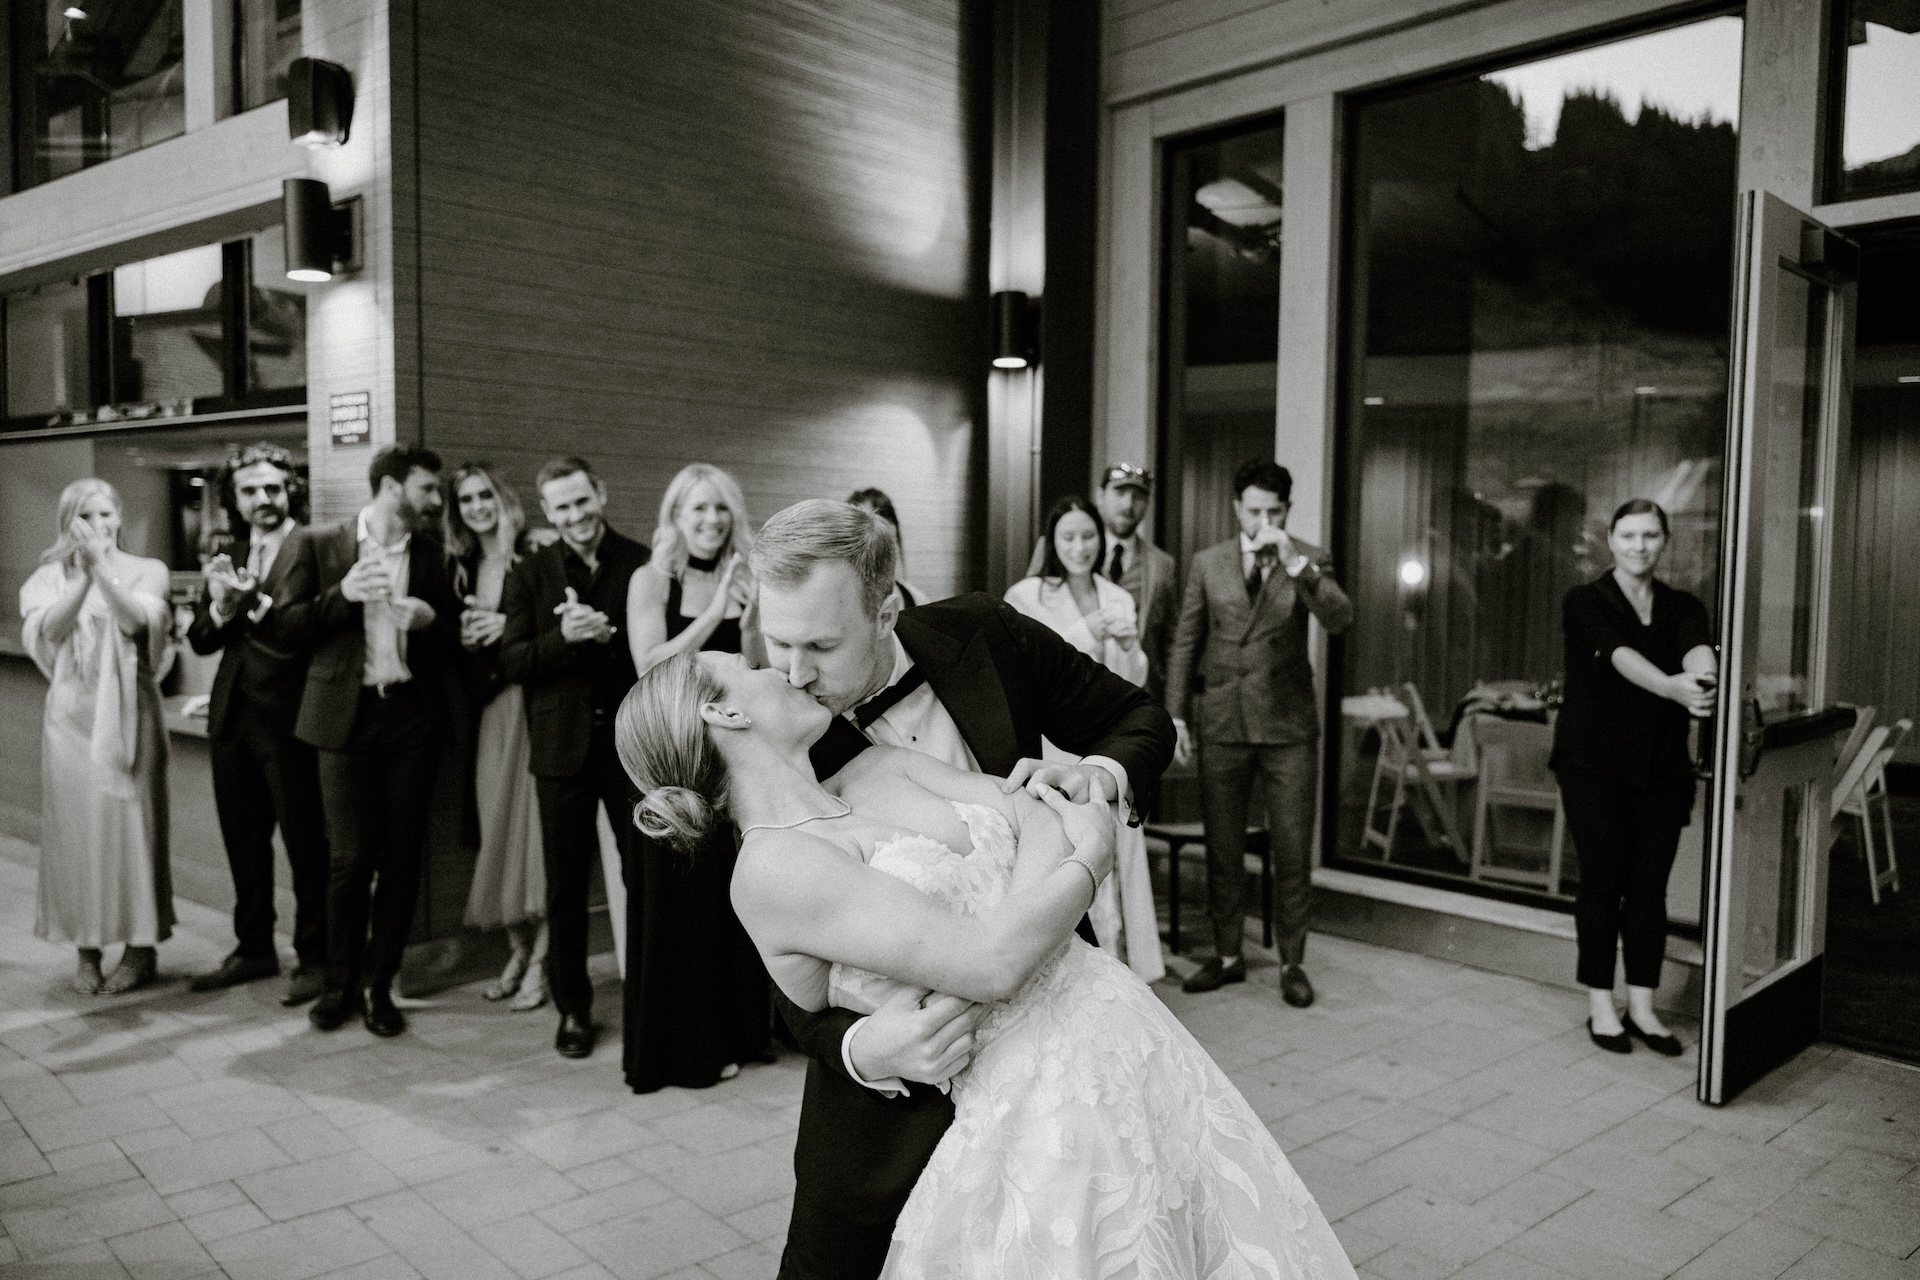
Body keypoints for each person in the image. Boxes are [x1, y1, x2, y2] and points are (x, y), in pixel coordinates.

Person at [616, 651, 1356, 1280]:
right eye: (751, 669)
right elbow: (994, 962)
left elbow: (1032, 807)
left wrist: (1038, 888)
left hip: (1128, 1042)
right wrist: (1086, 863)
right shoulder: (775, 867)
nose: (780, 669)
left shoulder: (871, 773)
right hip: (1035, 1105)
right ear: (725, 716)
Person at [747, 499, 1175, 1280]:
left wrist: (1095, 775)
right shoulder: (773, 738)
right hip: (889, 1107)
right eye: (775, 641)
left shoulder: (986, 631)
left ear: (886, 612)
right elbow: (776, 954)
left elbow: (1140, 720)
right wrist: (854, 1047)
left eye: (820, 644)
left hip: (1058, 1062)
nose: (792, 672)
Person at [278, 444, 459, 1038]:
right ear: (390, 486)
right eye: (428, 489)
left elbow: (453, 637)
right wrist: (342, 596)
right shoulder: (319, 544)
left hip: (411, 718)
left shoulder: (433, 554)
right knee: (349, 861)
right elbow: (285, 626)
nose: (437, 500)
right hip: (344, 719)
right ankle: (339, 985)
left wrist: (432, 623)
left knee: (404, 859)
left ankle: (382, 987)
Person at [1165, 459, 1353, 1005]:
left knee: (1293, 849)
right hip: (1223, 721)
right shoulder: (1209, 562)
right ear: (1236, 509)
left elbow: (1340, 618)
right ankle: (1227, 955)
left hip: (1289, 724)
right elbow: (1185, 642)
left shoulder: (1309, 558)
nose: (1263, 520)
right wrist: (1176, 716)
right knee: (1222, 846)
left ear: (1287, 511)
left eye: (1274, 511)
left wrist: (1297, 566)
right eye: (1254, 510)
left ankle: (1293, 961)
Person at [621, 463, 769, 1091]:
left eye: (721, 510)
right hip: (670, 757)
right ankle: (679, 1053)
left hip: (730, 757)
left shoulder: (743, 578)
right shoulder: (651, 579)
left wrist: (753, 610)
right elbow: (649, 664)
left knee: (728, 903)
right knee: (673, 904)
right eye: (697, 510)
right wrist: (713, 609)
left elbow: (757, 665)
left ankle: (737, 1031)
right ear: (675, 519)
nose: (711, 521)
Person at [1551, 498, 1716, 1057]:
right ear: (1611, 541)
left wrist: (1703, 682)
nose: (1639, 545)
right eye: (1628, 535)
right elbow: (1617, 655)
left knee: (1649, 887)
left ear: (1664, 541)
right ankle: (1601, 1002)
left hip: (1662, 768)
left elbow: (1697, 650)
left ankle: (1642, 1005)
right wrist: (1672, 688)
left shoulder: (1682, 605)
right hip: (1593, 766)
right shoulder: (1585, 601)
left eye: (1650, 535)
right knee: (1603, 881)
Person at [500, 456, 651, 1060]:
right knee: (565, 889)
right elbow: (511, 661)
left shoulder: (640, 563)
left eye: (582, 501)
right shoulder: (531, 573)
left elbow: (653, 654)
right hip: (560, 751)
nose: (575, 515)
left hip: (628, 747)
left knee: (643, 876)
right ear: (547, 512)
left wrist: (609, 637)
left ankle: (650, 996)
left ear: (601, 493)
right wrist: (566, 639)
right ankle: (573, 1011)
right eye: (561, 507)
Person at [185, 444, 330, 1005]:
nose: (262, 499)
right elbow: (200, 637)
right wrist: (223, 607)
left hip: (293, 720)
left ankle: (316, 957)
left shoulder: (313, 547)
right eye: (249, 490)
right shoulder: (231, 551)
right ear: (234, 500)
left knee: (305, 845)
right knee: (244, 843)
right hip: (232, 720)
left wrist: (256, 601)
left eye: (272, 488)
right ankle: (253, 949)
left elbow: (317, 630)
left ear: (290, 488)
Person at [20, 479, 176, 996]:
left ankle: (140, 949)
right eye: (85, 517)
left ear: (119, 518)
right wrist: (83, 579)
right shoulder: (47, 579)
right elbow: (50, 632)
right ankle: (86, 949)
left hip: (133, 712)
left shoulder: (147, 570)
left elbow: (137, 622)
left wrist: (102, 571)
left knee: (136, 831)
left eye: (106, 515)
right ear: (69, 523)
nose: (98, 526)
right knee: (76, 833)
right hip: (70, 720)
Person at [1003, 495, 1163, 983]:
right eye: (1068, 537)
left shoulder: (1119, 596)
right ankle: (1075, 968)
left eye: (1088, 536)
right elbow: (1033, 669)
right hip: (1057, 745)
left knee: (1124, 852)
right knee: (1072, 854)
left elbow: (1133, 681)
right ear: (1051, 541)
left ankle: (1128, 965)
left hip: (1111, 742)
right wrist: (1085, 629)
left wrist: (1134, 648)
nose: (1080, 546)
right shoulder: (1026, 595)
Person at [446, 462, 548, 1012]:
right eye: (466, 500)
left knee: (536, 838)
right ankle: (517, 947)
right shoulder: (459, 565)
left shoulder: (535, 550)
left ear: (502, 497)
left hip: (532, 708)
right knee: (496, 829)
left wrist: (504, 626)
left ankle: (540, 961)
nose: (478, 506)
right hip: (486, 712)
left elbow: (553, 623)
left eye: (485, 494)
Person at [1025, 463, 1179, 702]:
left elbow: (1171, 646)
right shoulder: (1051, 559)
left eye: (1138, 496)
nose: (1128, 504)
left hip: (1127, 698)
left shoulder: (1161, 564)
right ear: (1100, 495)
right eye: (1119, 493)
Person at [847, 488, 928, 607]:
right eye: (865, 521)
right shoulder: (839, 601)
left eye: (882, 519)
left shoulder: (916, 599)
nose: (876, 528)